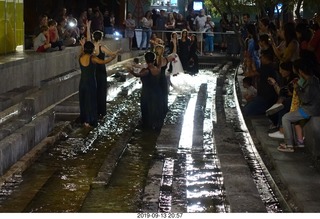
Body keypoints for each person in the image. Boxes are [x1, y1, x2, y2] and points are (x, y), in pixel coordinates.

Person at [277, 58, 320, 152]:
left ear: (300, 70)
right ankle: (296, 142)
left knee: (286, 118)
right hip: (312, 108)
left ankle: (289, 145)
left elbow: (305, 99)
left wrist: (297, 88)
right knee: (292, 118)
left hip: (310, 110)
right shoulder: (314, 79)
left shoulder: (310, 84)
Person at [78, 41, 117, 127]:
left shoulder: (81, 57)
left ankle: (84, 120)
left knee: (83, 101)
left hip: (82, 83)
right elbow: (103, 62)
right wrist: (112, 58)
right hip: (90, 82)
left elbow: (81, 51)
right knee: (91, 101)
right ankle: (90, 120)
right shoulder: (92, 58)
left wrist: (82, 45)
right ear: (92, 49)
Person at [91, 30, 121, 119]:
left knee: (95, 89)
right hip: (101, 69)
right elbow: (112, 54)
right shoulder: (102, 47)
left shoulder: (91, 46)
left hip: (93, 70)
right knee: (101, 89)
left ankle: (94, 109)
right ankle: (101, 111)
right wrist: (117, 51)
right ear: (101, 38)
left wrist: (88, 27)